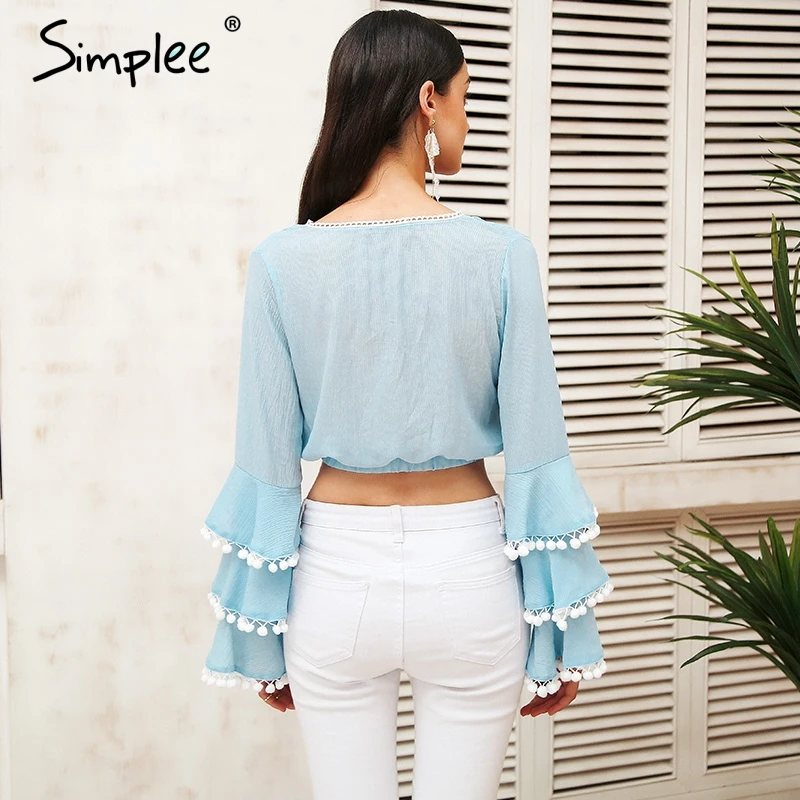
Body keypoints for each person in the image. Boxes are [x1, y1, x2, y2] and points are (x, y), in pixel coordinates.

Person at [198, 9, 613, 800]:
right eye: (465, 99)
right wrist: (558, 626)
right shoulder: (502, 256)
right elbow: (537, 453)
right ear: (428, 100)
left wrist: (265, 629)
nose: (467, 121)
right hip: (468, 574)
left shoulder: (281, 262)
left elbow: (266, 464)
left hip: (333, 582)